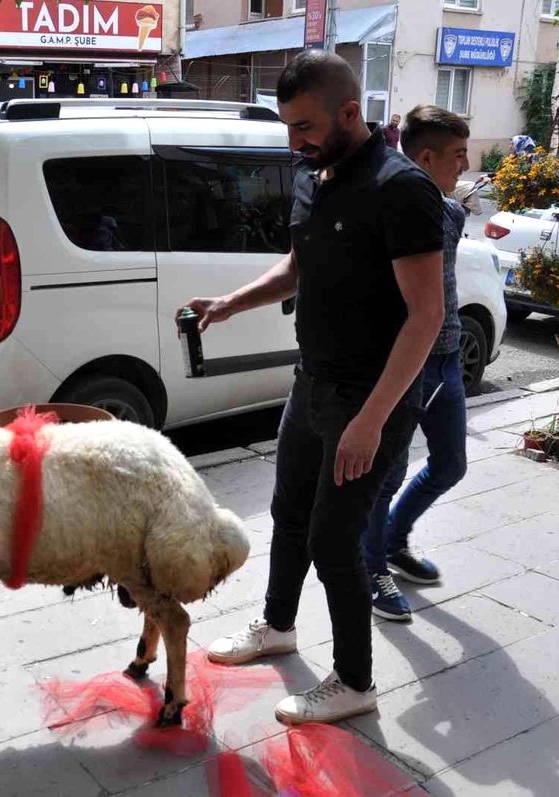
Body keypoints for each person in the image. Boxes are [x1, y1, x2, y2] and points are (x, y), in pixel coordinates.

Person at [186, 50, 444, 725]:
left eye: (303, 126)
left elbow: (426, 316)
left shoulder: (400, 188)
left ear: (350, 113)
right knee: (289, 513)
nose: (292, 141)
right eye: (287, 126)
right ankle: (278, 627)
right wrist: (231, 303)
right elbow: (298, 267)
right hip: (312, 383)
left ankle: (355, 682)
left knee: (334, 540)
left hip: (372, 398)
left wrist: (371, 421)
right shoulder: (314, 174)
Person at [361, 105, 471, 622]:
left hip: (446, 357)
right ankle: (370, 566)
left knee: (450, 464)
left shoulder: (449, 211)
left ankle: (393, 540)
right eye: (458, 155)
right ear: (426, 157)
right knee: (388, 473)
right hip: (408, 361)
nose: (465, 166)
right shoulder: (396, 207)